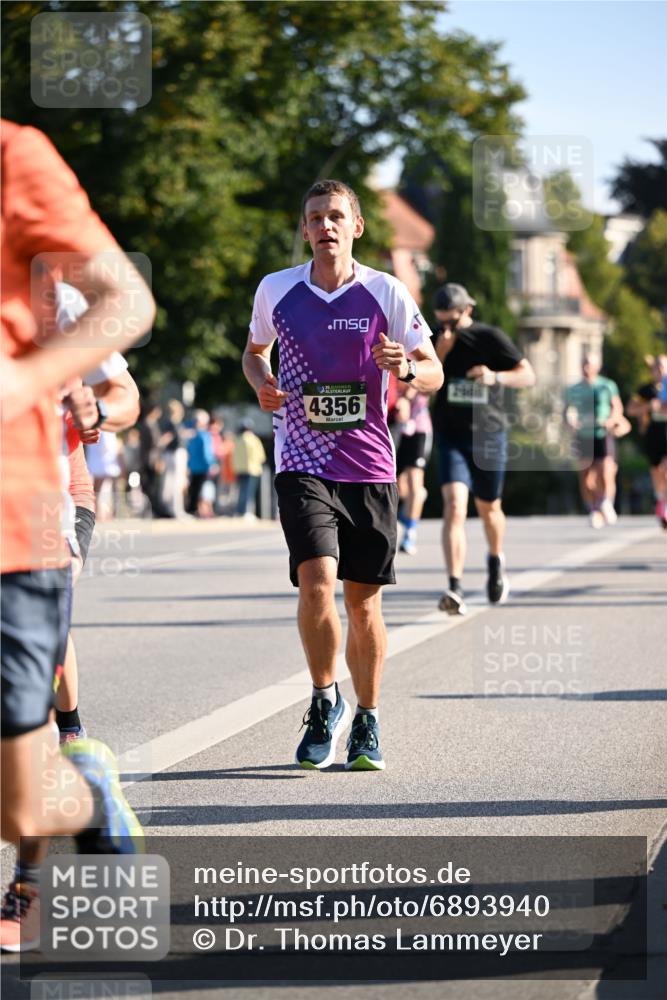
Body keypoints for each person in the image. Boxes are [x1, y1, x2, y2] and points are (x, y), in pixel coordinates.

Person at [1, 119, 153, 950]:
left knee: (19, 801)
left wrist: (40, 383)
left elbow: (125, 324)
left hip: (30, 507)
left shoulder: (16, 163)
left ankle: (77, 787)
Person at [242, 178, 442, 771]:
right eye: (314, 217)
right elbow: (255, 351)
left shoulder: (387, 292)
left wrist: (405, 366)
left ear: (357, 226)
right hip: (301, 459)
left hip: (370, 465)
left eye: (335, 216)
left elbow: (433, 371)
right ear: (304, 229)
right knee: (316, 583)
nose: (324, 226)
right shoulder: (277, 290)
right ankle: (324, 699)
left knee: (364, 606)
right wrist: (262, 384)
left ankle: (368, 719)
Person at [432, 282, 535, 615]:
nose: (446, 328)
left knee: (489, 507)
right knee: (454, 506)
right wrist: (442, 352)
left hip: (488, 434)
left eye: (452, 321)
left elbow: (527, 375)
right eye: (441, 321)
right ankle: (455, 586)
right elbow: (421, 384)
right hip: (450, 434)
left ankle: (495, 560)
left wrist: (495, 378)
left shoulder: (489, 337)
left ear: (468, 311)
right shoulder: (434, 341)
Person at [564, 353, 626, 528]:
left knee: (606, 470)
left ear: (597, 367)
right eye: (583, 364)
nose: (585, 368)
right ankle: (593, 508)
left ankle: (606, 502)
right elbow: (566, 410)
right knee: (585, 477)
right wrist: (570, 421)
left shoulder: (607, 385)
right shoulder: (573, 389)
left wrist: (611, 420)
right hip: (583, 435)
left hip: (602, 433)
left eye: (589, 364)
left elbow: (617, 408)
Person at [626, 355, 667, 529]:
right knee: (657, 472)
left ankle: (665, 505)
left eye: (663, 367)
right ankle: (661, 501)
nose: (660, 371)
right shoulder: (645, 390)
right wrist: (649, 407)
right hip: (654, 436)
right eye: (657, 367)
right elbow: (630, 409)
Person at [394, 379, 433, 555]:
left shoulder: (419, 353)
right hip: (394, 426)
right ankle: (408, 510)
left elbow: (432, 382)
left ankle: (409, 532)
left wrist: (407, 396)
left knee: (415, 484)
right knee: (396, 485)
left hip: (418, 428)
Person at [233, 418, 267, 518]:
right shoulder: (254, 439)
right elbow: (261, 456)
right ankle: (246, 512)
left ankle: (239, 511)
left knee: (241, 491)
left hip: (240, 469)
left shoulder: (237, 439)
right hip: (253, 469)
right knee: (249, 492)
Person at [186, 408, 216, 515]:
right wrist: (212, 464)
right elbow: (207, 452)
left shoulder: (190, 433)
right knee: (201, 490)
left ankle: (191, 509)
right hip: (202, 466)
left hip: (192, 466)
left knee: (193, 489)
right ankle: (194, 510)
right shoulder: (204, 435)